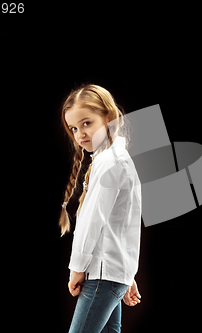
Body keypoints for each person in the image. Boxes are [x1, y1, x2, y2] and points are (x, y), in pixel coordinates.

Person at [59, 84, 142, 332]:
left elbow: (91, 223)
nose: (80, 134)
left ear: (109, 116)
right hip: (110, 275)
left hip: (101, 277)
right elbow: (119, 228)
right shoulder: (114, 159)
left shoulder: (110, 162)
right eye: (74, 128)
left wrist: (76, 269)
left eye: (87, 123)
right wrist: (126, 276)